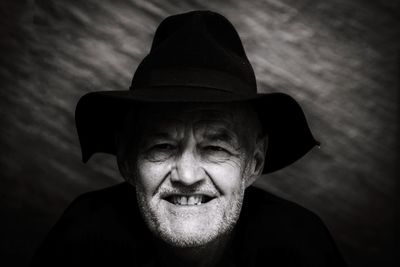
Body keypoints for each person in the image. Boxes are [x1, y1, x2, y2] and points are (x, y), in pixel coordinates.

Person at [31, 10, 347, 267]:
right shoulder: (82, 241)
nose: (187, 175)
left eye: (215, 148)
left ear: (254, 163)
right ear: (127, 160)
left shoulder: (300, 248)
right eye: (162, 146)